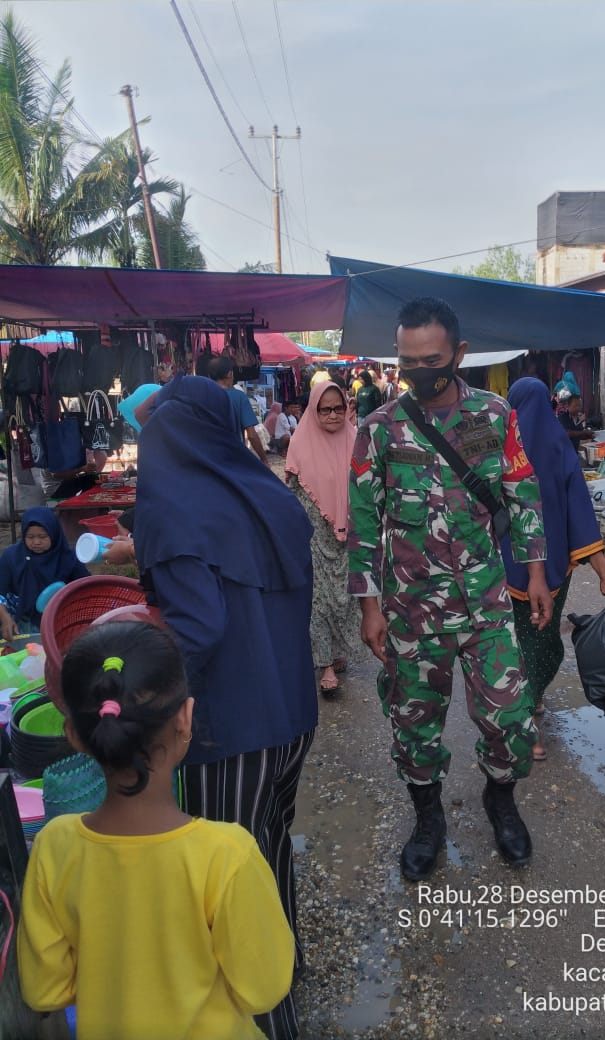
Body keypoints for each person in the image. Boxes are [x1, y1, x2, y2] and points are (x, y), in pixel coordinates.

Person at [133, 375, 317, 1040]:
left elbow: (200, 630)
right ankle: (284, 971)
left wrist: (141, 692)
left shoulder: (170, 506)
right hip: (292, 718)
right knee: (266, 851)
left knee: (227, 884)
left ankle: (264, 1020)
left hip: (231, 728)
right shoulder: (264, 492)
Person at [348, 297, 552, 882]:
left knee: (510, 720)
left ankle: (501, 800)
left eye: (430, 359)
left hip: (486, 604)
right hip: (411, 612)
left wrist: (535, 574)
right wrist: (369, 608)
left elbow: (522, 492)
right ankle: (428, 818)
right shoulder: (378, 431)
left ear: (459, 354)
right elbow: (364, 526)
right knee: (414, 727)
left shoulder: (492, 415)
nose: (418, 371)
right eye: (406, 361)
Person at [17, 621, 294, 1040]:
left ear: (74, 733)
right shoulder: (227, 855)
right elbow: (265, 989)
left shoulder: (53, 846)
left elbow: (45, 990)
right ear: (185, 718)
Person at [501, 378, 605, 762]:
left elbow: (578, 513)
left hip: (515, 566)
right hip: (541, 567)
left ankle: (530, 702)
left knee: (529, 644)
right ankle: (527, 718)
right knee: (532, 643)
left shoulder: (505, 447)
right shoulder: (557, 445)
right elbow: (581, 515)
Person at [285, 380, 369, 695]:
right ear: (314, 410)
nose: (333, 415)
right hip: (313, 537)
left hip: (350, 534)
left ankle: (336, 651)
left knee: (345, 598)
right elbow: (291, 491)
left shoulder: (357, 441)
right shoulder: (300, 444)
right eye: (325, 409)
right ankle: (326, 665)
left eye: (339, 408)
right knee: (318, 601)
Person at [0, 507, 88, 639]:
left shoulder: (67, 557)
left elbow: (86, 587)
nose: (36, 542)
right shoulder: (11, 556)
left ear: (54, 533)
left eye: (42, 537)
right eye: (30, 537)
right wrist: (5, 617)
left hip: (60, 619)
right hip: (20, 621)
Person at [207, 355, 268, 464]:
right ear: (229, 374)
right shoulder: (238, 397)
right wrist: (264, 459)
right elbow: (251, 435)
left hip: (208, 457)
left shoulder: (203, 396)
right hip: (234, 456)